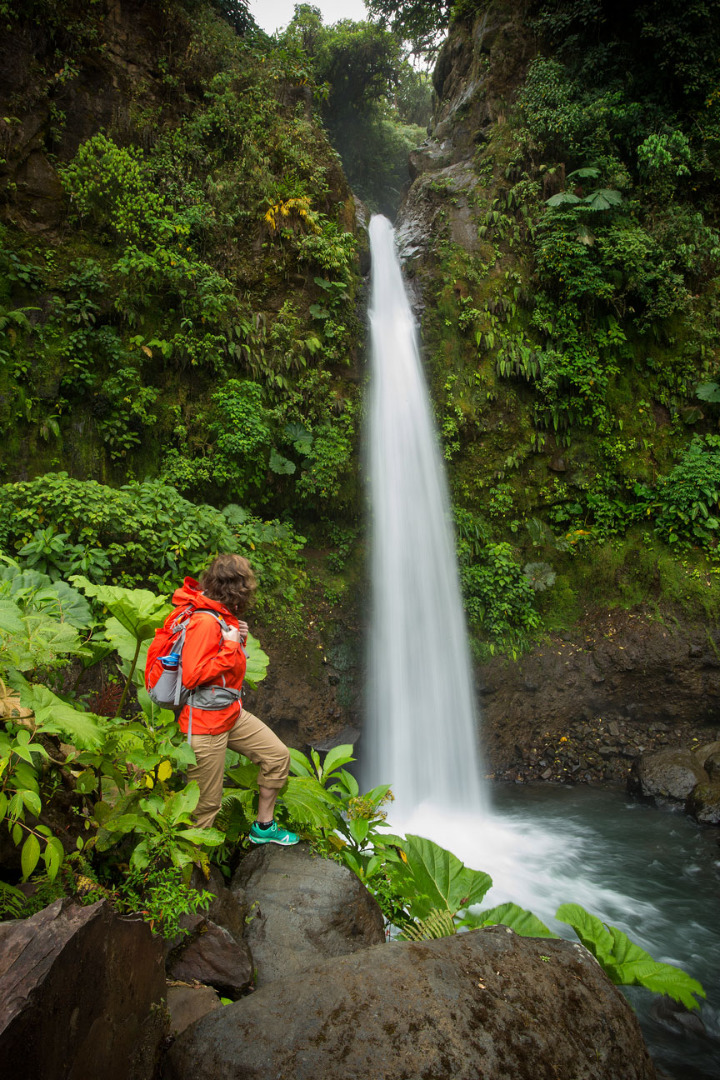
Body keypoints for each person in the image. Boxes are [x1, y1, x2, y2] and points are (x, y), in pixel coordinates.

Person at [170, 552, 299, 846]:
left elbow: (224, 669)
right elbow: (192, 676)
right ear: (236, 587)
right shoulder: (204, 621)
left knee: (277, 757)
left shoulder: (221, 616)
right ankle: (186, 877)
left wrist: (237, 639)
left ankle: (263, 827)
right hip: (205, 725)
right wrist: (229, 647)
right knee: (205, 807)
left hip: (229, 714)